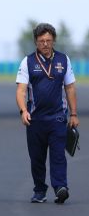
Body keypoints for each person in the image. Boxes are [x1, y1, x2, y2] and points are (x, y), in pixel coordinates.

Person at [16, 23, 79, 204]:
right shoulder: (27, 61)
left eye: (48, 40)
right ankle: (39, 190)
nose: (45, 44)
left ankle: (60, 187)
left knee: (59, 155)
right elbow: (21, 90)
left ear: (54, 41)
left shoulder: (63, 60)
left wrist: (73, 114)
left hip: (58, 118)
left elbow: (70, 87)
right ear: (36, 42)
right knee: (37, 158)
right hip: (34, 120)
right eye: (41, 41)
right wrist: (23, 111)